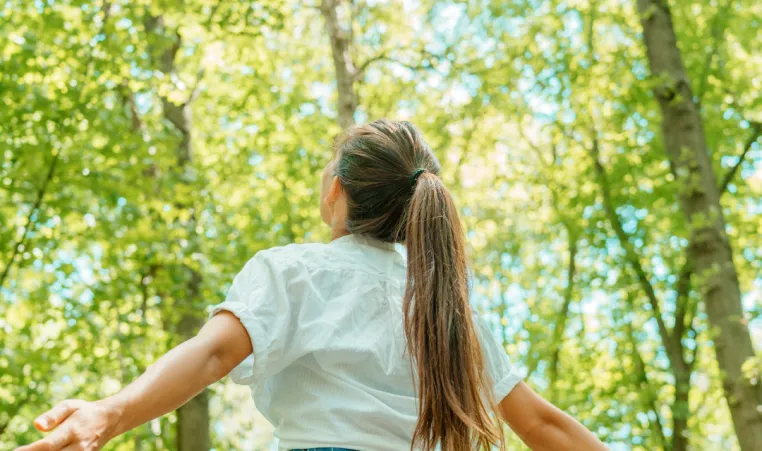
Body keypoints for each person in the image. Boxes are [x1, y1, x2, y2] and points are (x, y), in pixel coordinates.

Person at [17, 120, 607, 451]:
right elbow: (542, 425)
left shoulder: (293, 271)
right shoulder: (450, 309)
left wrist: (108, 413)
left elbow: (212, 354)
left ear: (336, 193)